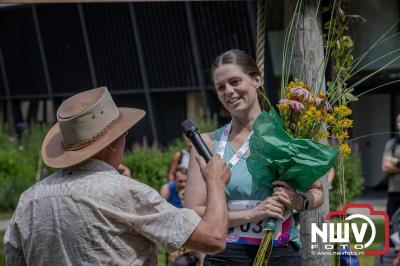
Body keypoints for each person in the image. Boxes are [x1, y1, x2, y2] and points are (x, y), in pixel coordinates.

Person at [4, 87, 231, 265]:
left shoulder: (29, 200)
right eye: (124, 134)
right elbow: (213, 238)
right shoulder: (126, 192)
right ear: (114, 142)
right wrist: (215, 182)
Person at [185, 49, 324, 265]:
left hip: (281, 252)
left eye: (235, 81)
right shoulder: (207, 144)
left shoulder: (287, 134)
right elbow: (193, 212)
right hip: (226, 255)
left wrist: (297, 200)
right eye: (220, 87)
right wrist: (253, 214)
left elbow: (317, 193)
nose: (228, 91)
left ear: (256, 80)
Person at [382, 114, 400, 223]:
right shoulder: (392, 144)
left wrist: (394, 161)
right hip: (394, 190)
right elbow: (385, 166)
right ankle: (390, 241)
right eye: (398, 122)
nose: (399, 124)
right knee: (391, 223)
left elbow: (390, 162)